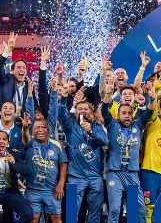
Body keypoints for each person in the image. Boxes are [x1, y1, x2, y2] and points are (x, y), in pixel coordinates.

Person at [58, 89, 108, 223]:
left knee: (95, 212)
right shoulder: (70, 125)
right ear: (76, 111)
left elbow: (105, 141)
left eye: (86, 108)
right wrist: (66, 99)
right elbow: (61, 115)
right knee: (71, 212)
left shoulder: (96, 126)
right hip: (75, 176)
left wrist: (91, 130)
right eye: (80, 108)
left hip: (95, 177)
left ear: (91, 111)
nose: (83, 110)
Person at [101, 86, 149, 223]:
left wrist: (145, 101)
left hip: (132, 174)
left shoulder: (137, 126)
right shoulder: (112, 125)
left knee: (140, 209)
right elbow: (104, 111)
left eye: (129, 113)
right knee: (115, 209)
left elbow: (147, 114)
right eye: (123, 113)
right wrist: (108, 95)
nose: (127, 116)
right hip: (115, 173)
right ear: (118, 115)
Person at [21, 119, 67, 223]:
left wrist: (60, 185)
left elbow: (63, 165)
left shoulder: (57, 145)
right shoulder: (30, 142)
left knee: (56, 218)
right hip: (33, 189)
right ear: (32, 131)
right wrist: (25, 128)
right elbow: (25, 137)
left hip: (52, 190)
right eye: (36, 127)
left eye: (42, 127)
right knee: (34, 218)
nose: (40, 130)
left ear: (48, 130)